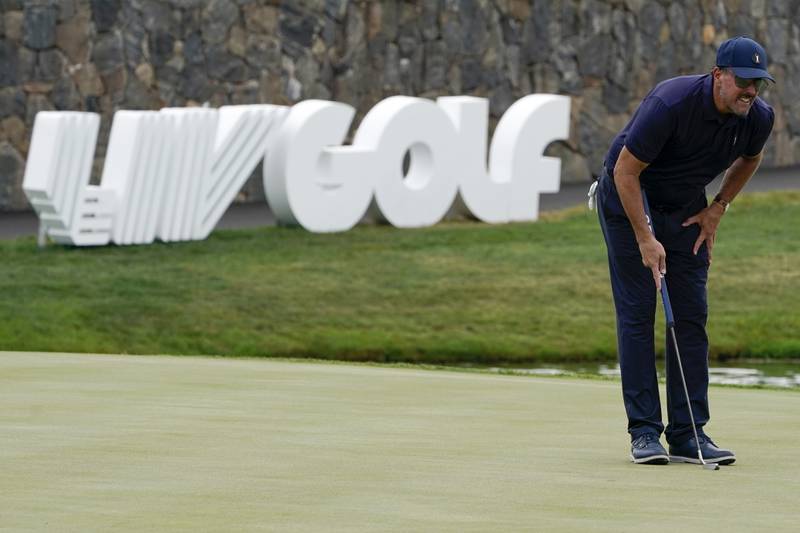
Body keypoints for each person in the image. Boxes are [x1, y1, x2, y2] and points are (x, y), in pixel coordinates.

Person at [595, 36, 775, 465]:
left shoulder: (756, 117)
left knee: (691, 315)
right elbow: (625, 170)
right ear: (718, 75)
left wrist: (718, 208)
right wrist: (645, 237)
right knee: (639, 314)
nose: (751, 91)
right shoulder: (670, 104)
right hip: (628, 201)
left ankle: (689, 432)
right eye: (743, 82)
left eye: (759, 84)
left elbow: (750, 159)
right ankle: (644, 433)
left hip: (687, 208)